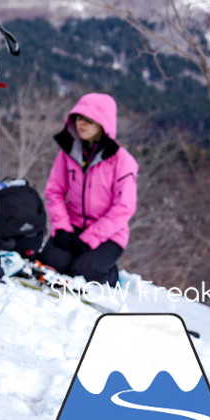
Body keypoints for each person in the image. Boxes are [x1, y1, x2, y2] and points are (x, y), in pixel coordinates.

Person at [40, 93, 138, 285]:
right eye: (79, 117)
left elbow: (124, 207)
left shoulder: (122, 161)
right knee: (52, 264)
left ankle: (110, 274)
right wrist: (61, 228)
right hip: (72, 225)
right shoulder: (68, 153)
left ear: (103, 124)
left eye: (89, 120)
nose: (81, 124)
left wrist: (91, 238)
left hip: (109, 234)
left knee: (82, 271)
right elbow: (55, 191)